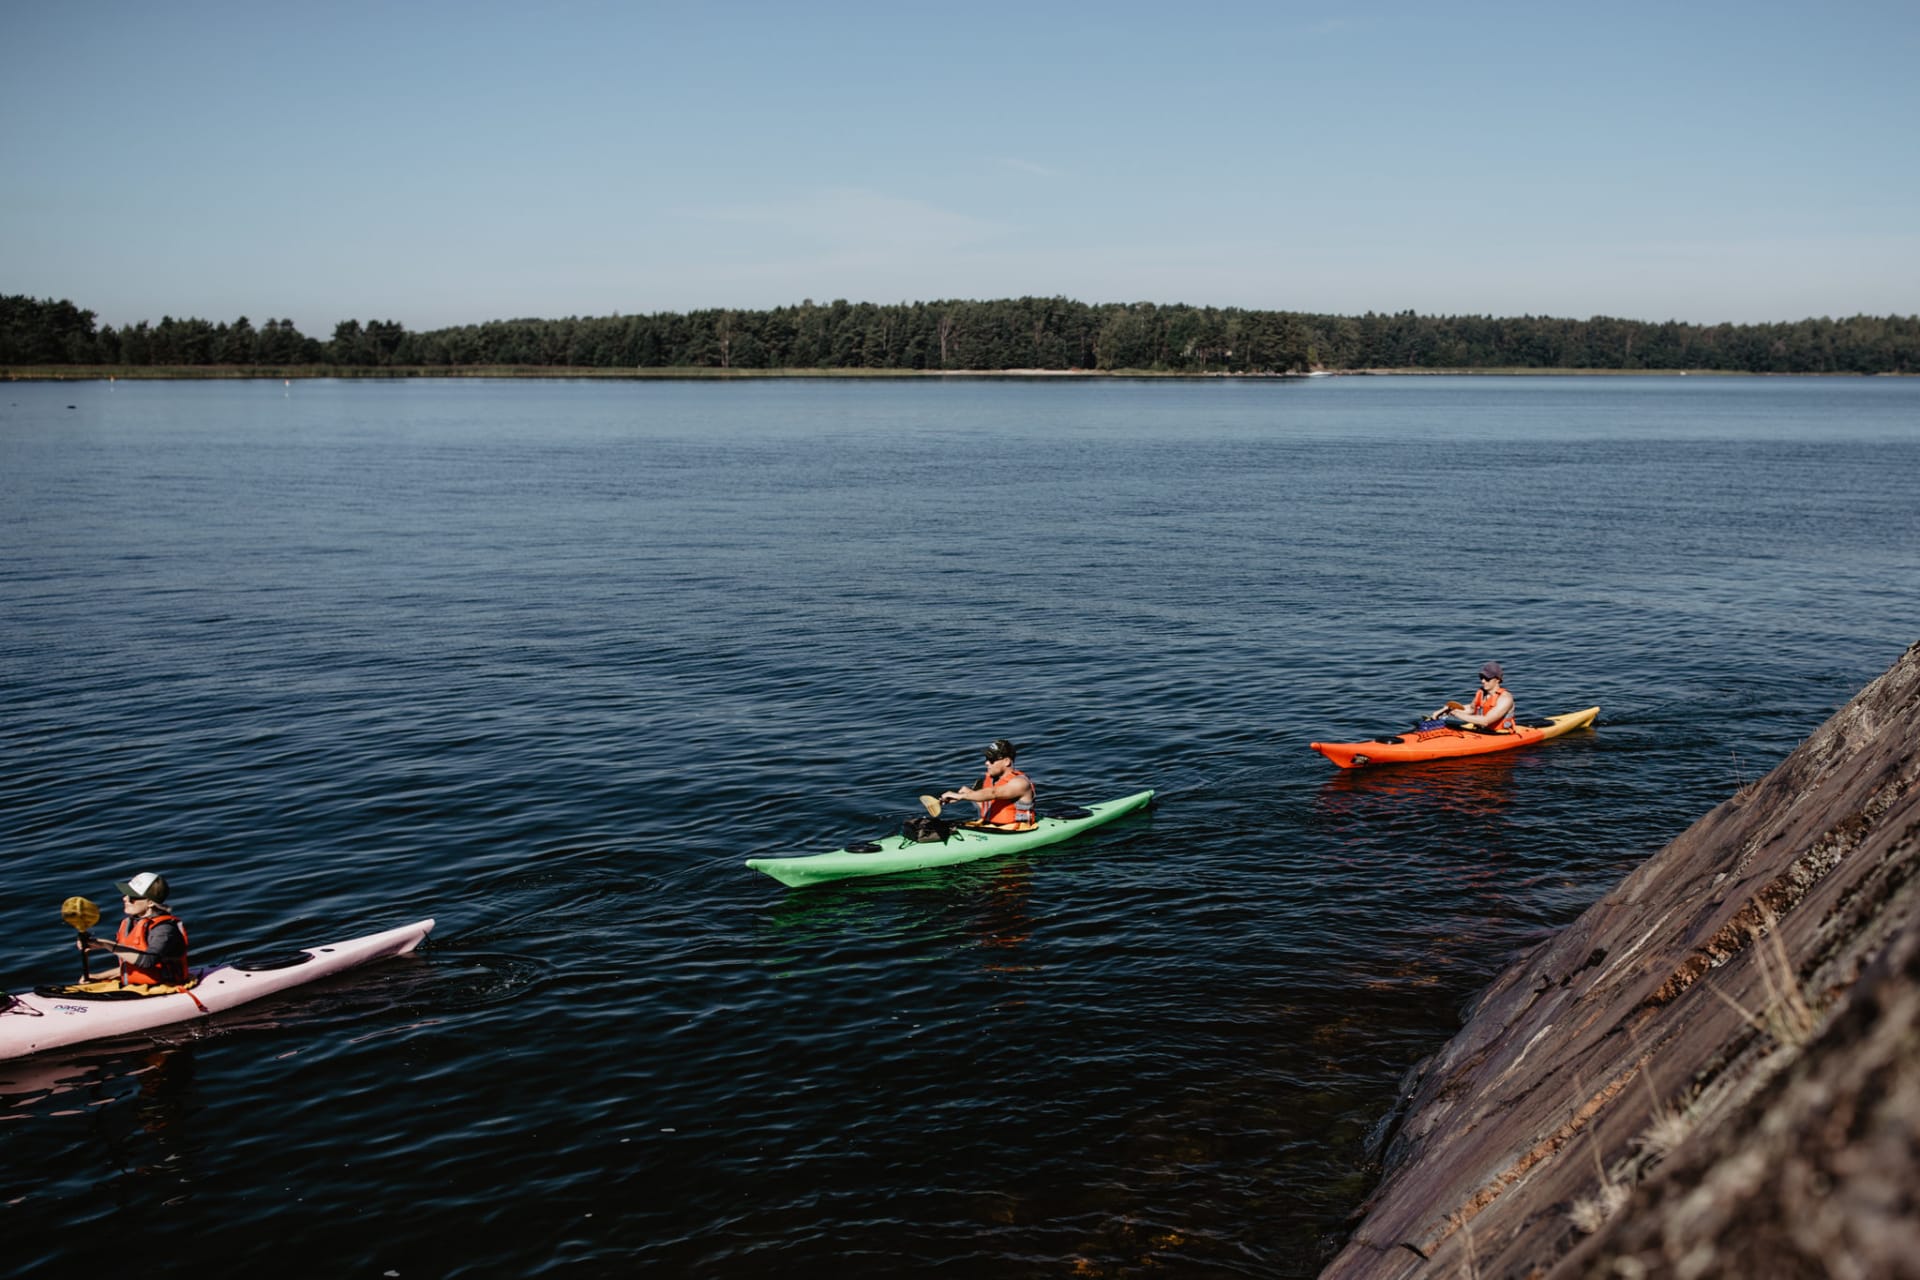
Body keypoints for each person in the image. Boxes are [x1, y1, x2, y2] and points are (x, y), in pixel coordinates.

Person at [80, 871, 190, 987]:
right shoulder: (131, 922)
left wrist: (106, 945)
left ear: (150, 902)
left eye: (132, 897)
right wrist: (99, 976)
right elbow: (132, 966)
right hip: (137, 987)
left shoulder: (164, 929)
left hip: (165, 988)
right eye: (125, 895)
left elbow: (148, 961)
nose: (125, 899)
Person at [940, 738, 1037, 830]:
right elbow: (990, 806)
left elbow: (994, 793)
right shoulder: (994, 780)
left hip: (1015, 830)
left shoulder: (1020, 783)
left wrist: (962, 796)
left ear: (1006, 761)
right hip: (991, 827)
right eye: (986, 758)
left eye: (991, 759)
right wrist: (967, 794)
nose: (986, 763)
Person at [1432, 661, 1516, 732]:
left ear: (1497, 680)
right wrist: (1449, 709)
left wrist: (1456, 714)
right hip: (1481, 731)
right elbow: (1471, 709)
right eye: (1481, 677)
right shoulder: (1482, 693)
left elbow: (1485, 721)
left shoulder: (1505, 698)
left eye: (1487, 678)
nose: (1483, 681)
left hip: (1499, 734)